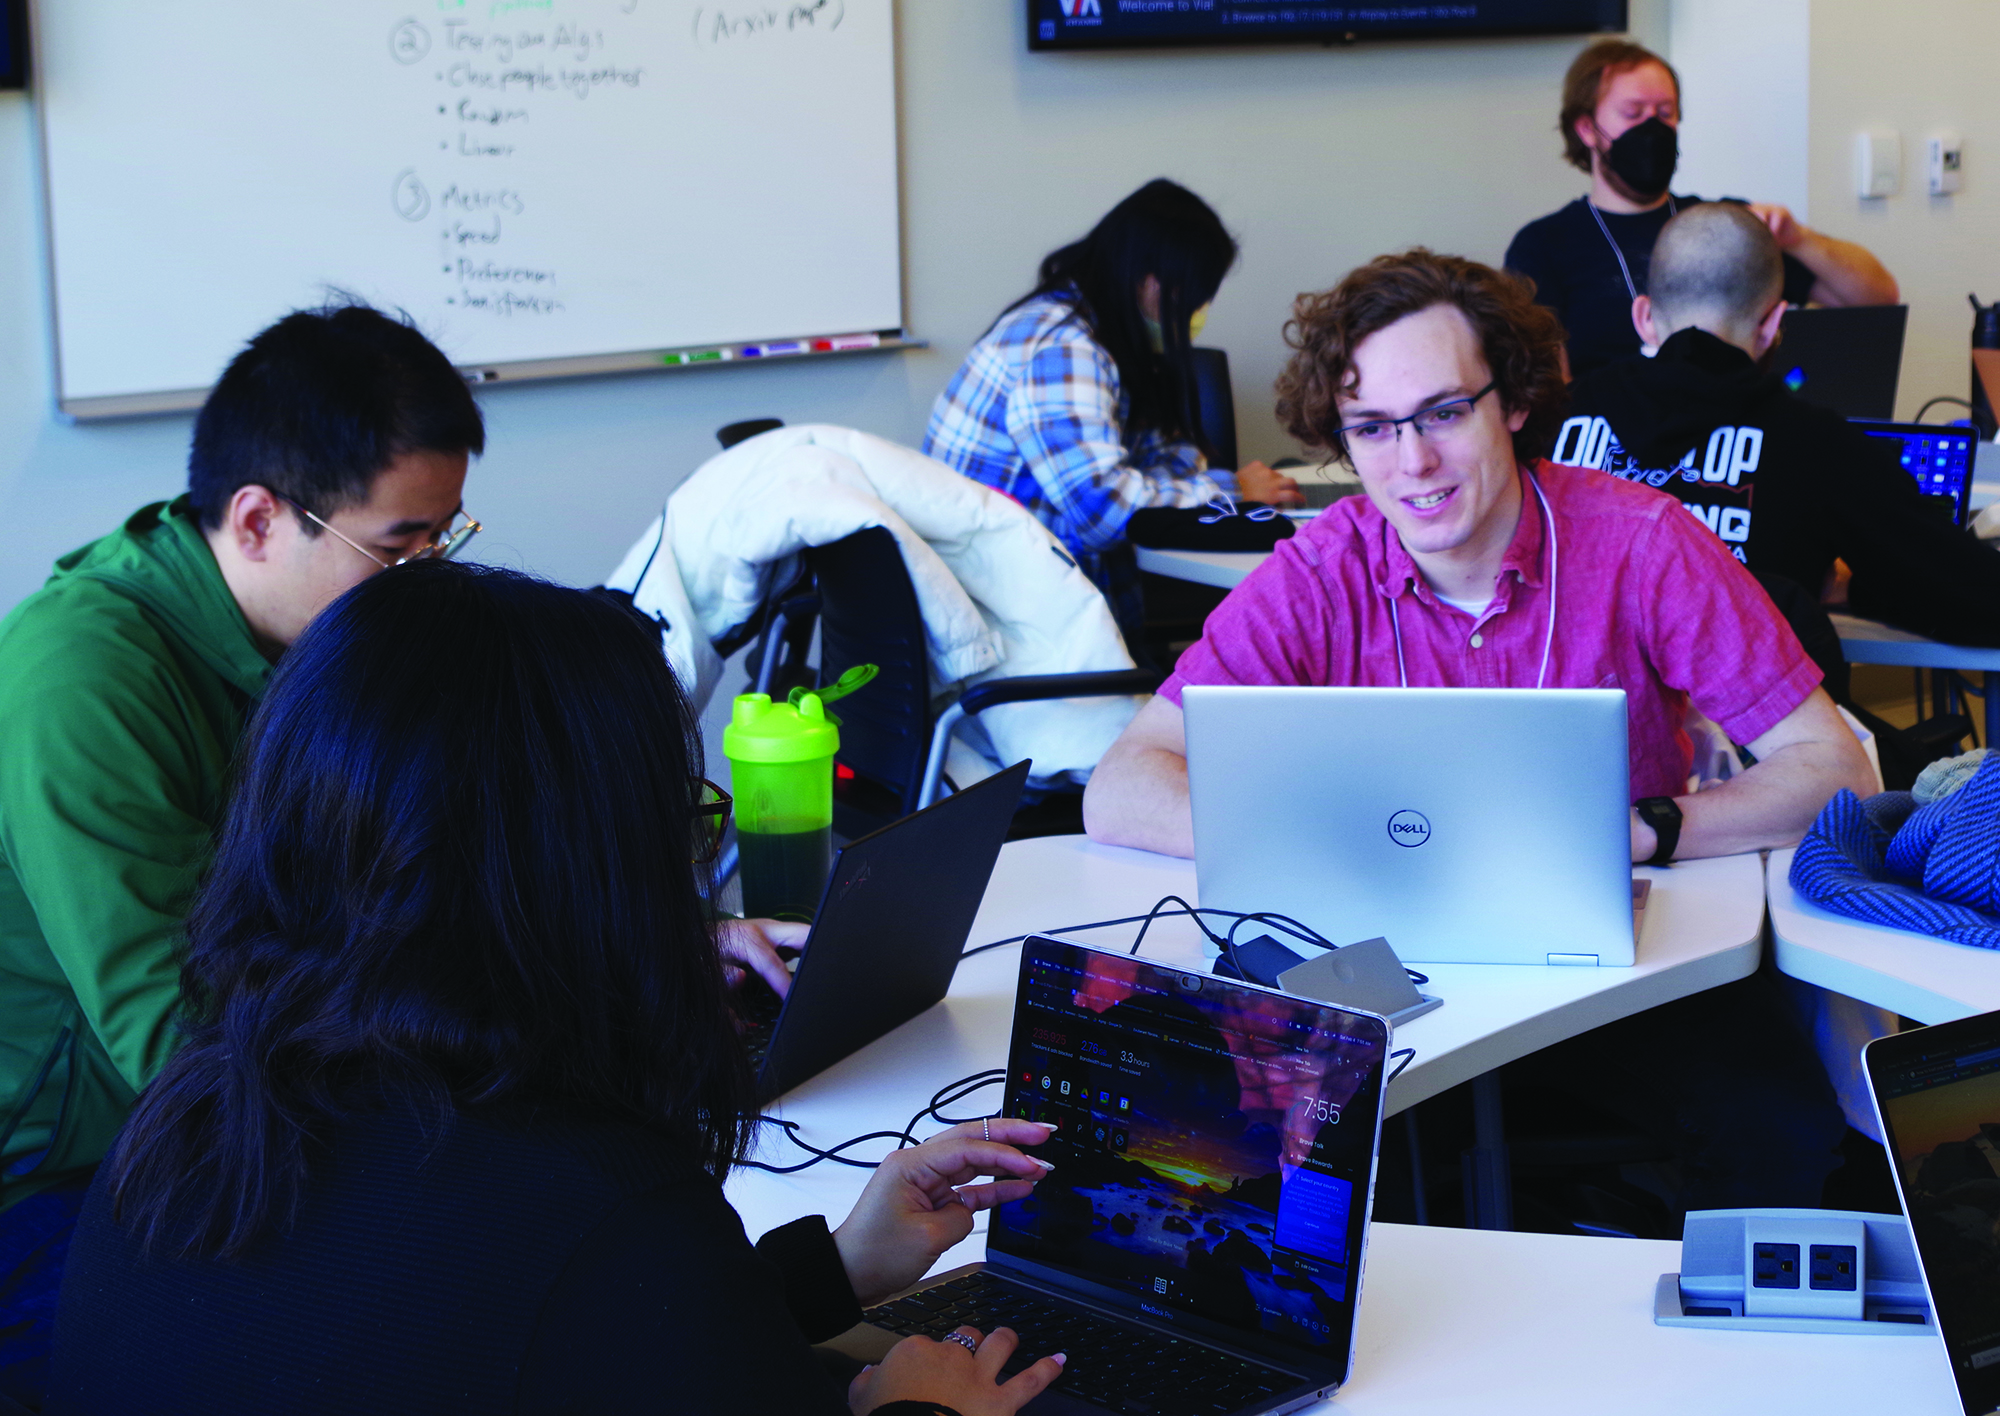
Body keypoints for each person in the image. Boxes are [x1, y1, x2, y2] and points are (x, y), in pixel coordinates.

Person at [47, 562, 1064, 1416]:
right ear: (599, 870)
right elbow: (591, 1311)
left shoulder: (188, 1122)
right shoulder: (603, 1218)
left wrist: (834, 1271)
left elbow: (545, 1342)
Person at [1082, 249, 1873, 1209]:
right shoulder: (1322, 567)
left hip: (1617, 967)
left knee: (1781, 1133)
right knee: (1218, 1163)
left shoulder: (1643, 542)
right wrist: (1321, 851)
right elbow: (1121, 784)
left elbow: (1834, 770)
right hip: (1384, 971)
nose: (1412, 462)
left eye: (1445, 413)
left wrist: (1652, 826)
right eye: (1371, 427)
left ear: (1515, 401)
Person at [0, 302, 484, 1406]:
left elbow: (433, 881)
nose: (427, 577)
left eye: (442, 538)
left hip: (237, 1108)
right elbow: (182, 1048)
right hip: (59, 1181)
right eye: (398, 543)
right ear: (260, 519)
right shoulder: (82, 680)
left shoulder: (319, 638)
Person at [1561, 201, 2000, 649]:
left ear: (1645, 318)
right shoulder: (1817, 442)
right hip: (1755, 718)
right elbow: (1970, 592)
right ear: (1774, 324)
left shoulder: (1552, 419)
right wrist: (1858, 588)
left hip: (1568, 712)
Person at [924, 179, 1301, 644]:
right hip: (1017, 629)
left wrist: (1196, 486)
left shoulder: (1112, 338)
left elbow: (1172, 458)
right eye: (1193, 293)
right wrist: (1233, 490)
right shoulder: (1061, 348)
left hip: (1046, 600)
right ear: (1148, 280)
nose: (1199, 310)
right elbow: (1102, 510)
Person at [1505, 38, 1897, 379]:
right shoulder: (1543, 245)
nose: (1652, 128)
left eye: (1664, 113)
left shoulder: (1726, 224)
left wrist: (1799, 240)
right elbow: (1550, 386)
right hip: (1613, 451)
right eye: (1633, 113)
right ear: (1587, 129)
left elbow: (1877, 299)